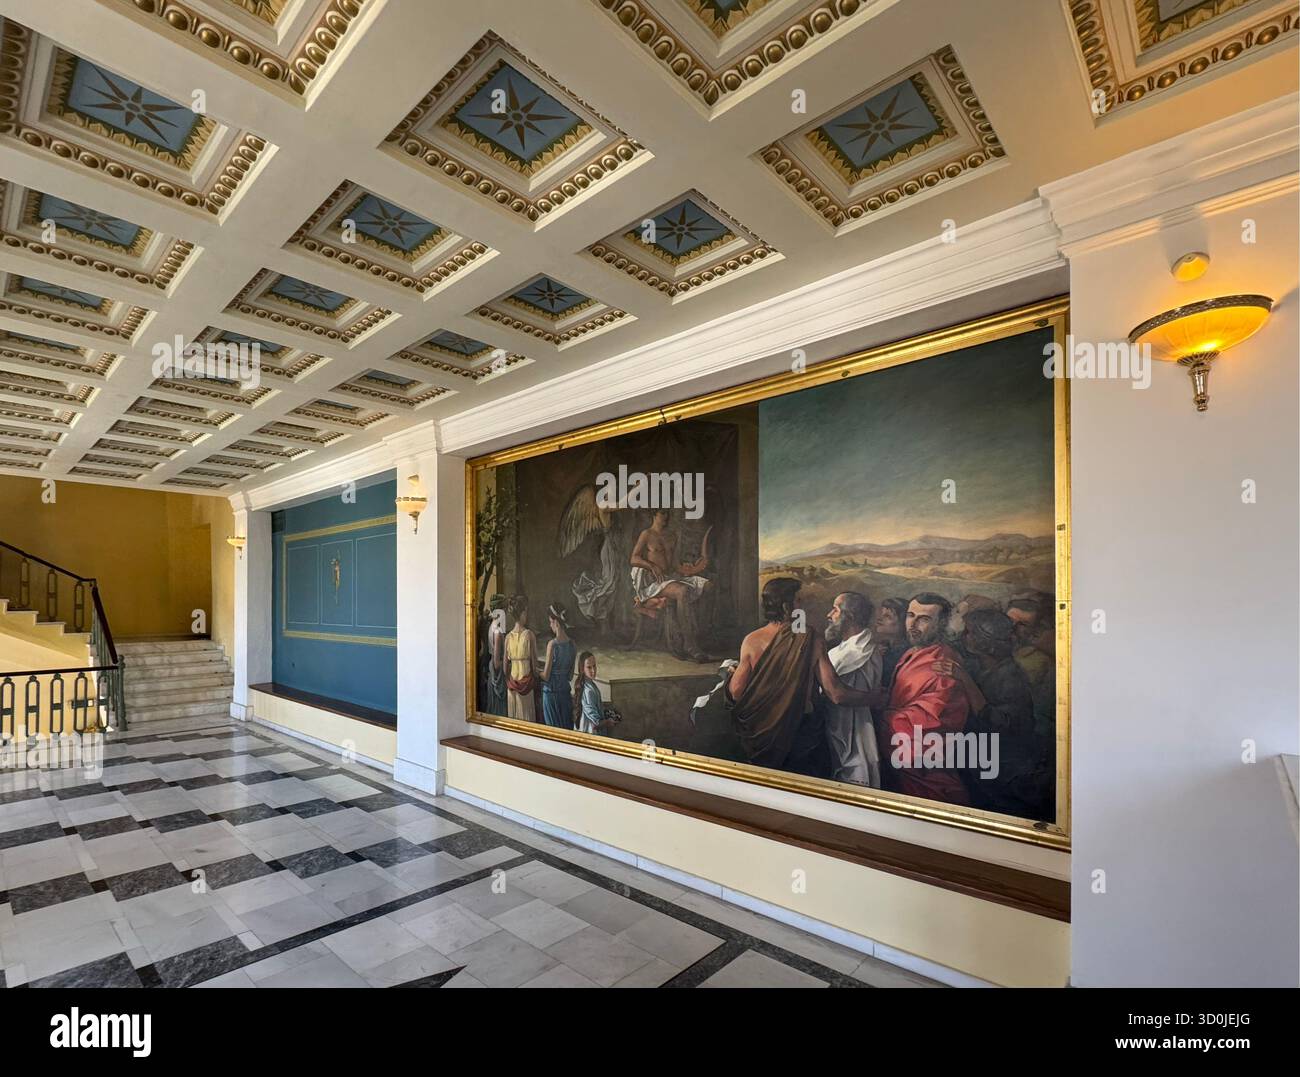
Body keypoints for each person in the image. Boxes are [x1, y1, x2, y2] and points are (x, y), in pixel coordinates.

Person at [726, 577, 872, 775]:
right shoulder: (810, 638)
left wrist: (733, 674)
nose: (802, 605)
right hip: (800, 734)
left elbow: (736, 692)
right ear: (787, 606)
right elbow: (836, 693)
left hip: (760, 735)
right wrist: (875, 698)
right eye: (798, 600)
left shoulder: (752, 640)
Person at [932, 608, 1048, 819]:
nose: (964, 636)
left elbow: (995, 722)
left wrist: (965, 679)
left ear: (984, 643)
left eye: (969, 632)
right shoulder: (979, 663)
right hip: (982, 759)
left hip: (1006, 769)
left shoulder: (1011, 677)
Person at [877, 593, 969, 805]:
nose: (913, 624)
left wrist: (880, 716)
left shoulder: (944, 662)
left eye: (924, 619)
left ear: (941, 624)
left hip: (926, 772)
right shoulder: (913, 652)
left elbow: (931, 721)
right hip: (902, 763)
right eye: (910, 616)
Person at [629, 508, 711, 661]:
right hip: (653, 584)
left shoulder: (672, 536)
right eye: (662, 513)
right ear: (654, 515)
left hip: (669, 578)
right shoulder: (646, 534)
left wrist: (692, 569)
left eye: (667, 513)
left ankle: (701, 634)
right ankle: (690, 644)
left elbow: (674, 565)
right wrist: (652, 566)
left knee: (707, 585)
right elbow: (634, 558)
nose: (666, 516)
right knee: (682, 591)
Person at [822, 591, 883, 787]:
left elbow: (837, 695)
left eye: (835, 610)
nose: (829, 615)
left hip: (854, 733)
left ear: (849, 616)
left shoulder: (859, 651)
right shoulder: (843, 649)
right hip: (838, 731)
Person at [1007, 596, 1054, 735]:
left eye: (1023, 624)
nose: (1012, 627)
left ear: (1035, 630)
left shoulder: (1040, 661)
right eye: (1009, 620)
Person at [539, 603, 577, 730]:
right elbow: (570, 676)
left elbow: (546, 676)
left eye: (550, 622)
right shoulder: (573, 645)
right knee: (565, 731)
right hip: (565, 694)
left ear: (556, 622)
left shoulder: (552, 645)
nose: (550, 625)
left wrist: (536, 671)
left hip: (551, 694)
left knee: (552, 732)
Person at [504, 595, 538, 722]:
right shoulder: (529, 635)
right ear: (523, 613)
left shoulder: (508, 637)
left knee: (513, 721)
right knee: (527, 721)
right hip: (526, 687)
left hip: (512, 686)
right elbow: (535, 667)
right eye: (526, 612)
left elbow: (505, 668)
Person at [573, 651, 613, 736]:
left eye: (594, 666)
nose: (593, 670)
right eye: (589, 667)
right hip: (589, 732)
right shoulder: (588, 690)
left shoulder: (590, 685)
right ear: (582, 669)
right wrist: (608, 722)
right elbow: (596, 723)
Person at [872, 597, 908, 688]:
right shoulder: (882, 648)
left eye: (888, 616)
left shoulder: (906, 654)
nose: (879, 619)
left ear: (903, 623)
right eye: (881, 614)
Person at [484, 593, 508, 716]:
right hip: (497, 675)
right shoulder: (498, 632)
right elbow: (497, 664)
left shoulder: (491, 627)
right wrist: (509, 662)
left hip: (492, 670)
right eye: (504, 609)